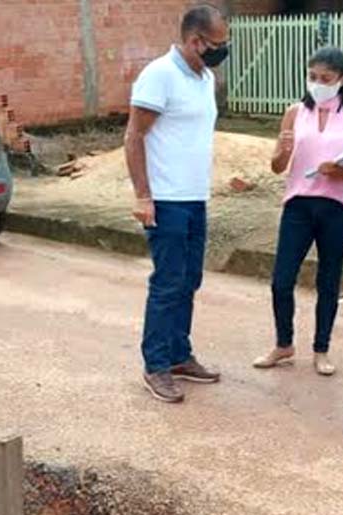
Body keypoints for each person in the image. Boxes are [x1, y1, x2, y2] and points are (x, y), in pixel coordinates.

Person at [124, 5, 229, 403]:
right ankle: (156, 365)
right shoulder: (159, 75)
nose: (223, 51)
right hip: (166, 200)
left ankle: (179, 355)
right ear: (195, 41)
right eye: (218, 44)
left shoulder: (205, 77)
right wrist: (142, 195)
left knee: (189, 281)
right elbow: (134, 136)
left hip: (195, 198)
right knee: (168, 283)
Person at [253, 47, 343, 377]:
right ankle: (283, 343)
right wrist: (283, 150)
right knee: (281, 280)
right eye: (312, 77)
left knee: (328, 280)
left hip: (340, 207)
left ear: (342, 79)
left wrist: (337, 169)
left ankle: (321, 349)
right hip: (299, 204)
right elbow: (278, 166)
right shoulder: (295, 112)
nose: (318, 84)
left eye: (326, 78)